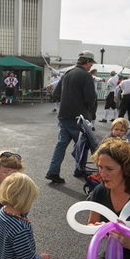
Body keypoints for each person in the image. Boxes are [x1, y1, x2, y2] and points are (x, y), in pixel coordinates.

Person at [45, 50, 97, 184]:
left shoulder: (67, 74)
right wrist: (90, 112)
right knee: (82, 144)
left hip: (64, 115)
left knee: (61, 145)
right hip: (79, 116)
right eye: (91, 63)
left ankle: (53, 171)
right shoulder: (86, 76)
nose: (91, 66)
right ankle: (79, 169)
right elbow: (90, 98)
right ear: (87, 62)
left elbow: (56, 94)